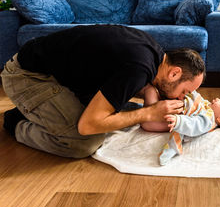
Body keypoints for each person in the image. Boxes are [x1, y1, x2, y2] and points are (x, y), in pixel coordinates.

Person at [1, 25, 205, 158]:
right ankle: (16, 121)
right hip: (28, 76)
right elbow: (87, 126)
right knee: (86, 142)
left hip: (60, 76)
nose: (181, 97)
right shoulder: (139, 68)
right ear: (174, 73)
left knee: (121, 113)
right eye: (184, 91)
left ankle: (43, 114)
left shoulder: (151, 52)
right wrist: (148, 113)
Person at [140, 85, 220, 165]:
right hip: (166, 112)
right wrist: (190, 90)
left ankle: (139, 113)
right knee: (152, 91)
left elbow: (193, 125)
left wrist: (178, 121)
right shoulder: (207, 106)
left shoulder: (208, 121)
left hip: (162, 121)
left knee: (150, 91)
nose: (217, 99)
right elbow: (197, 99)